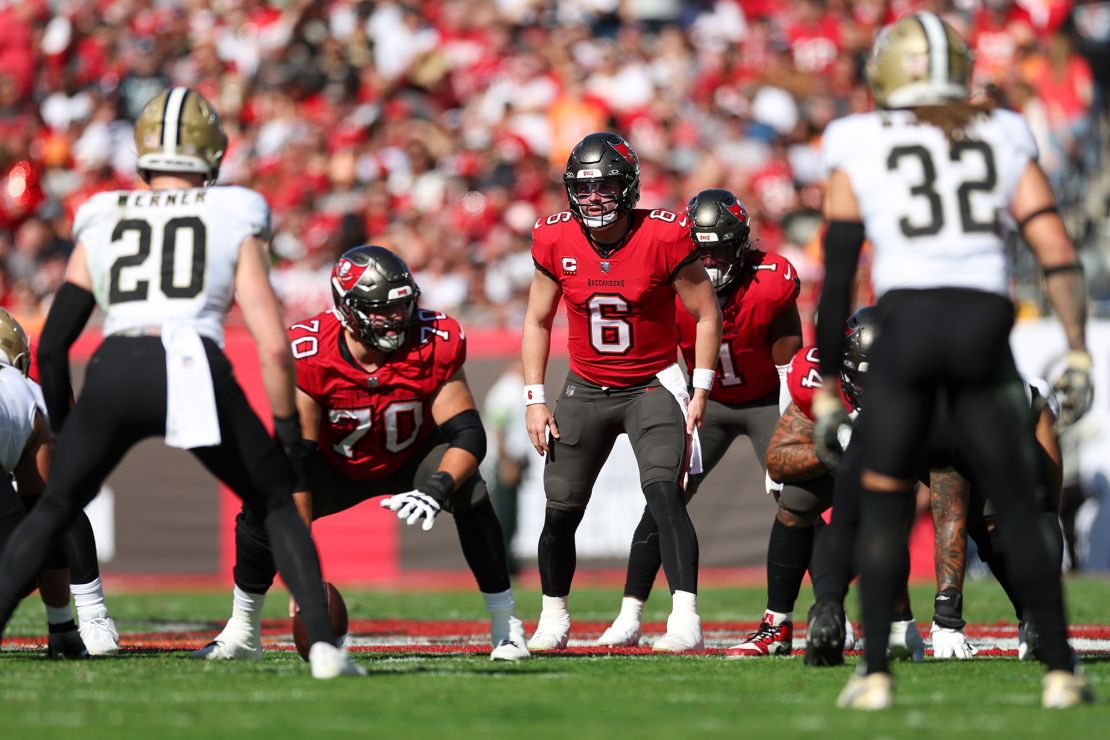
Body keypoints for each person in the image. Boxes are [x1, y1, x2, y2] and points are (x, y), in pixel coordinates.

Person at [0, 87, 361, 679]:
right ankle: (322, 650)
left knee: (52, 510)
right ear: (212, 151)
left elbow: (58, 340)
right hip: (193, 363)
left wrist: (65, 429)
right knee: (275, 503)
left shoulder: (103, 212)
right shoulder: (234, 211)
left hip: (118, 364)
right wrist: (290, 435)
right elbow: (273, 343)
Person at [813, 13, 1093, 708]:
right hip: (980, 327)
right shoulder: (1003, 130)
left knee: (881, 504)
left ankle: (875, 670)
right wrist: (1079, 345)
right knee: (1022, 511)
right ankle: (1060, 669)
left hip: (905, 329)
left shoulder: (855, 138)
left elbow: (840, 272)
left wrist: (825, 379)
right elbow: (1056, 250)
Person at [193, 245, 529, 663]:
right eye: (381, 309)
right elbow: (297, 461)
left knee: (471, 491)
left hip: (410, 458)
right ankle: (242, 631)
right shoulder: (311, 353)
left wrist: (438, 487)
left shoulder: (433, 339)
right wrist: (303, 578)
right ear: (348, 310)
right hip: (335, 466)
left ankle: (506, 627)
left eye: (403, 306)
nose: (397, 318)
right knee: (265, 500)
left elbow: (468, 435)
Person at [522, 132, 722, 654]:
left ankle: (684, 617)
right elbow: (537, 320)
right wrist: (534, 397)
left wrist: (700, 387)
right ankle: (553, 617)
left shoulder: (664, 235)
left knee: (663, 493)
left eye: (605, 185)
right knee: (560, 505)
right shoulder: (553, 238)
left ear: (628, 186)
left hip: (651, 384)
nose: (593, 198)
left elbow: (705, 312)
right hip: (584, 386)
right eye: (583, 188)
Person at [593, 188, 813, 657]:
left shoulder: (771, 279)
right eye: (702, 250)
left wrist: (787, 433)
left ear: (741, 244)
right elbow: (659, 353)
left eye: (718, 249)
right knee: (663, 497)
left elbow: (786, 369)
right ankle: (630, 614)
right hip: (704, 401)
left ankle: (833, 607)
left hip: (762, 401)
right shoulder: (676, 282)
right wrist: (686, 401)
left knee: (798, 499)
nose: (709, 261)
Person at [0, 307, 115, 658]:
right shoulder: (25, 390)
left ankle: (89, 617)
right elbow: (48, 508)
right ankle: (78, 621)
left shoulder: (27, 387)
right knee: (28, 547)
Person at [482, 359, 532, 576]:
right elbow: (497, 427)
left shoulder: (512, 390)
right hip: (505, 461)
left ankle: (506, 562)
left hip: (511, 460)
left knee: (511, 514)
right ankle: (500, 563)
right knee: (504, 514)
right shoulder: (507, 391)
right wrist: (506, 460)